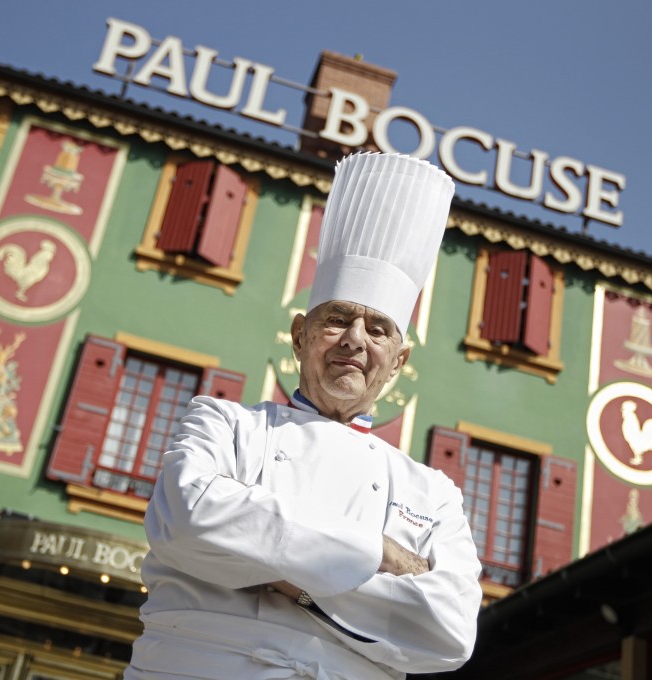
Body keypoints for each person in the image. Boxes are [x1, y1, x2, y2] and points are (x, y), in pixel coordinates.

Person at [124, 153, 482, 679]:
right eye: (337, 320)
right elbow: (188, 519)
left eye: (378, 329)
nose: (355, 340)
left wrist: (283, 573)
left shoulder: (435, 494)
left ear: (398, 361)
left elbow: (449, 631)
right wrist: (376, 552)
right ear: (299, 336)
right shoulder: (224, 424)